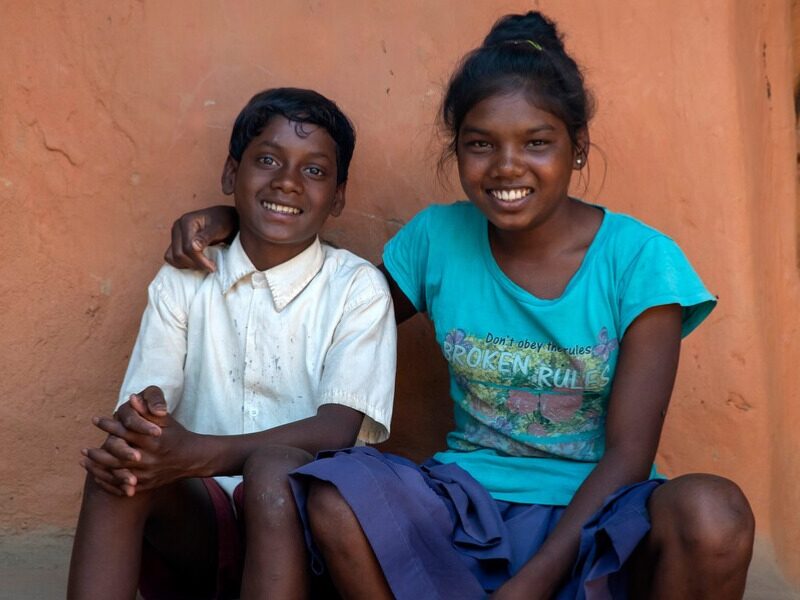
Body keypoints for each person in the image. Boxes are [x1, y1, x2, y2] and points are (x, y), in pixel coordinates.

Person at [164, 12, 755, 600]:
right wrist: (241, 223)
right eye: (480, 144)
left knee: (714, 511)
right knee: (333, 493)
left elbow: (630, 455)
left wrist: (528, 588)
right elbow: (329, 308)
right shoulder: (437, 240)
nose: (506, 166)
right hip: (468, 509)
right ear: (457, 151)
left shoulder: (641, 261)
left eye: (538, 143)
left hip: (599, 514)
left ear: (578, 149)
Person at [67, 87, 396, 600]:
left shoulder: (356, 288)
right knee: (123, 467)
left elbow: (337, 429)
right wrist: (144, 425)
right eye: (267, 159)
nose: (287, 181)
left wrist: (196, 452)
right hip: (205, 522)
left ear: (338, 197)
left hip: (307, 534)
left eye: (314, 170)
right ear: (229, 175)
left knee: (273, 471)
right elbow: (148, 402)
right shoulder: (184, 281)